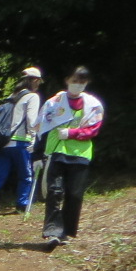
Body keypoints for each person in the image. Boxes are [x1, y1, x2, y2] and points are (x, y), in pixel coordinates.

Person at [40, 66, 105, 247]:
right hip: (57, 151)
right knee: (54, 191)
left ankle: (66, 231)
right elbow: (42, 125)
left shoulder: (93, 105)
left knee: (74, 195)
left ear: (87, 83)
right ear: (67, 80)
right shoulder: (55, 102)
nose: (77, 85)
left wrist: (72, 133)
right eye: (74, 81)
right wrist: (39, 152)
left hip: (80, 154)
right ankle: (52, 231)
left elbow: (93, 129)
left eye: (81, 82)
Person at [0, 66, 44, 216]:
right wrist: (36, 137)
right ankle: (22, 204)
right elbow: (32, 121)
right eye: (38, 81)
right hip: (20, 142)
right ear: (35, 81)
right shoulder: (33, 97)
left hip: (3, 142)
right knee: (26, 174)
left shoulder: (13, 96)